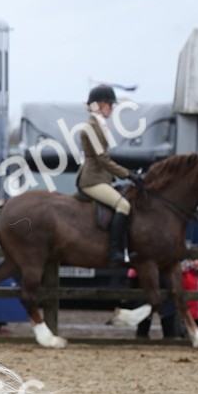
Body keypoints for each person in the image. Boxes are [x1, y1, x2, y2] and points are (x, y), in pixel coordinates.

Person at [76, 85, 143, 266]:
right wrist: (127, 174)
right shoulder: (92, 127)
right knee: (123, 205)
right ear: (100, 104)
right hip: (92, 180)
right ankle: (115, 252)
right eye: (110, 105)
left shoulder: (98, 125)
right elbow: (102, 160)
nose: (112, 109)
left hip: (100, 177)